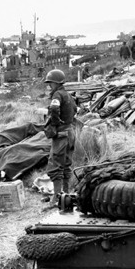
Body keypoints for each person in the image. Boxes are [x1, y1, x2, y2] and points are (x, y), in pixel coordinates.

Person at [44, 69, 77, 206]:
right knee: (66, 165)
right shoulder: (68, 95)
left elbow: (54, 109)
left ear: (56, 83)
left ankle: (57, 197)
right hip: (70, 133)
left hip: (62, 135)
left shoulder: (57, 95)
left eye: (50, 83)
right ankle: (66, 194)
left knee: (54, 165)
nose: (49, 86)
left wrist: (56, 122)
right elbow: (75, 109)